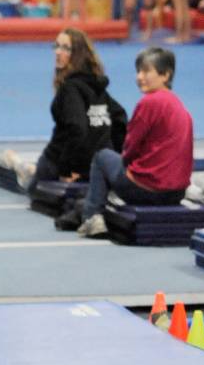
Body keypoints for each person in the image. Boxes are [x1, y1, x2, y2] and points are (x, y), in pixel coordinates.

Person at [76, 47, 194, 237]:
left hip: (147, 190)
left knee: (102, 157)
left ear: (165, 75)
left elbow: (129, 150)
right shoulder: (180, 105)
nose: (139, 77)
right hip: (177, 193)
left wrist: (123, 169)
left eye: (146, 71)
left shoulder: (149, 102)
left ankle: (91, 217)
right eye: (138, 71)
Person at [4, 28, 126, 198]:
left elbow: (77, 128)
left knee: (32, 190)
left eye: (65, 48)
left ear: (78, 54)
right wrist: (114, 157)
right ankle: (28, 169)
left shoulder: (70, 89)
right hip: (95, 166)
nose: (57, 52)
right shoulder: (98, 87)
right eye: (56, 46)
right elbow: (120, 119)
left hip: (60, 160)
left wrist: (67, 169)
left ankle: (24, 168)